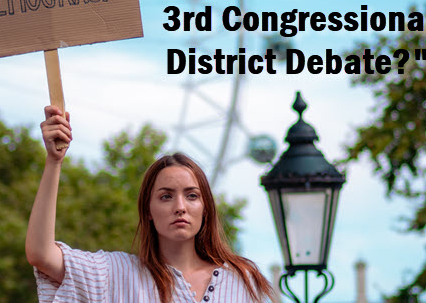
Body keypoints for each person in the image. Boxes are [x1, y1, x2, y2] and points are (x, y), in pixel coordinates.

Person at [26, 106, 274, 303]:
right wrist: (54, 162)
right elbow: (41, 254)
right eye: (166, 196)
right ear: (148, 211)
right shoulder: (115, 274)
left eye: (192, 196)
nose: (180, 206)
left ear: (206, 207)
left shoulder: (242, 280)